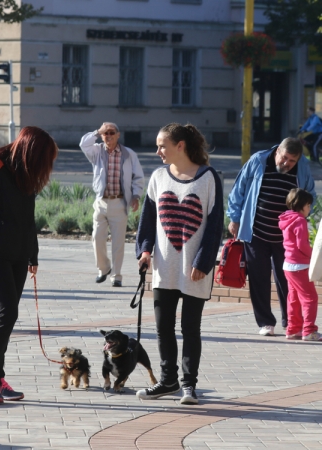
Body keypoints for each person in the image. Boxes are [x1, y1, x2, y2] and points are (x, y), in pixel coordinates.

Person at [0, 126, 58, 404]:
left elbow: (29, 219)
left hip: (18, 254)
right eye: (44, 158)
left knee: (5, 314)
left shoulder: (24, 174)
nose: (46, 166)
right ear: (32, 152)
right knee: (7, 310)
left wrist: (33, 254)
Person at [135, 123, 224, 405]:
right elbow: (147, 220)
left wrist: (204, 261)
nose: (158, 151)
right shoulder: (159, 176)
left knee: (190, 328)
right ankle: (167, 381)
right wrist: (145, 250)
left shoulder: (208, 177)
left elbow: (215, 225)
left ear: (180, 146)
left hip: (194, 269)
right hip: (164, 266)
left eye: (162, 145)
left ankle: (188, 385)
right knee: (163, 328)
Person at [227, 137, 315, 337]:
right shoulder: (258, 160)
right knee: (259, 279)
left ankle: (290, 322)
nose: (286, 164)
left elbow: (310, 193)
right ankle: (266, 322)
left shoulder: (302, 167)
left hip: (287, 237)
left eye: (291, 161)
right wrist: (234, 218)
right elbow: (238, 190)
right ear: (277, 152)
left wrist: (304, 214)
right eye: (284, 158)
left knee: (288, 281)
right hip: (256, 230)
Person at [79, 122, 144, 287]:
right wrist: (97, 131)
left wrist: (136, 196)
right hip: (100, 202)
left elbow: (138, 177)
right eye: (105, 133)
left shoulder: (128, 154)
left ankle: (116, 275)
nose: (108, 136)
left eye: (111, 133)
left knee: (118, 242)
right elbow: (83, 143)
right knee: (97, 238)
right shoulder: (96, 152)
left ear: (118, 134)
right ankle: (104, 268)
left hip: (119, 203)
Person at [279, 189, 321, 341]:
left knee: (294, 298)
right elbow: (302, 245)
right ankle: (309, 331)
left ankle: (293, 329)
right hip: (300, 266)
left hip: (288, 265)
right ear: (301, 205)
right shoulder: (300, 220)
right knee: (310, 298)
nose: (309, 209)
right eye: (308, 205)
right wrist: (314, 256)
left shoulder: (287, 219)